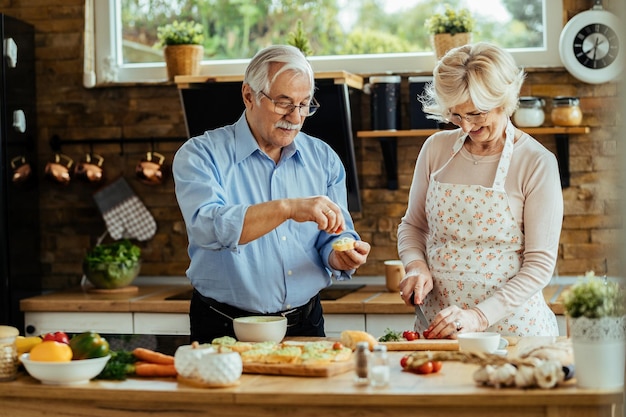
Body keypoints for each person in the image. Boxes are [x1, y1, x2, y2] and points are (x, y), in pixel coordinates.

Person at [172, 44, 370, 344]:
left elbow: (334, 236)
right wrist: (287, 208)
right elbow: (207, 228)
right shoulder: (200, 155)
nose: (295, 117)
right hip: (225, 327)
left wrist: (342, 256)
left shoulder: (324, 159)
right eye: (283, 102)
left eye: (305, 104)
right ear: (248, 95)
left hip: (306, 324)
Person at [397, 42, 562, 338]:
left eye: (476, 114)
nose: (466, 127)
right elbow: (413, 226)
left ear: (504, 99)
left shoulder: (536, 163)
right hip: (438, 329)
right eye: (456, 116)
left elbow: (539, 266)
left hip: (513, 332)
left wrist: (477, 317)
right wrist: (416, 266)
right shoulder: (435, 149)